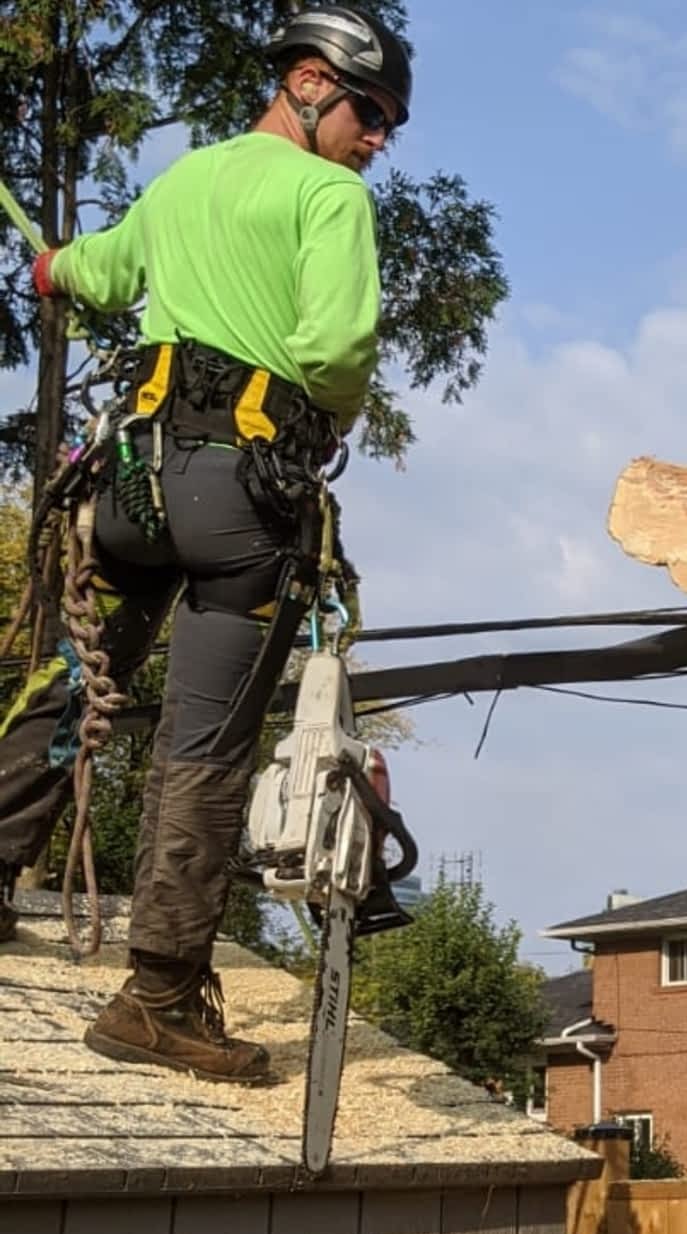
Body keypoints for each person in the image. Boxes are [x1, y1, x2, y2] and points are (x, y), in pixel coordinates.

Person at [0, 6, 408, 1084]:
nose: (377, 141)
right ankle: (161, 996)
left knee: (80, 673)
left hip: (135, 488)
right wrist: (341, 405)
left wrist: (50, 277)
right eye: (374, 116)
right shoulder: (329, 196)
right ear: (313, 84)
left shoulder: (185, 180)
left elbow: (98, 267)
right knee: (205, 741)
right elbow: (334, 345)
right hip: (241, 496)